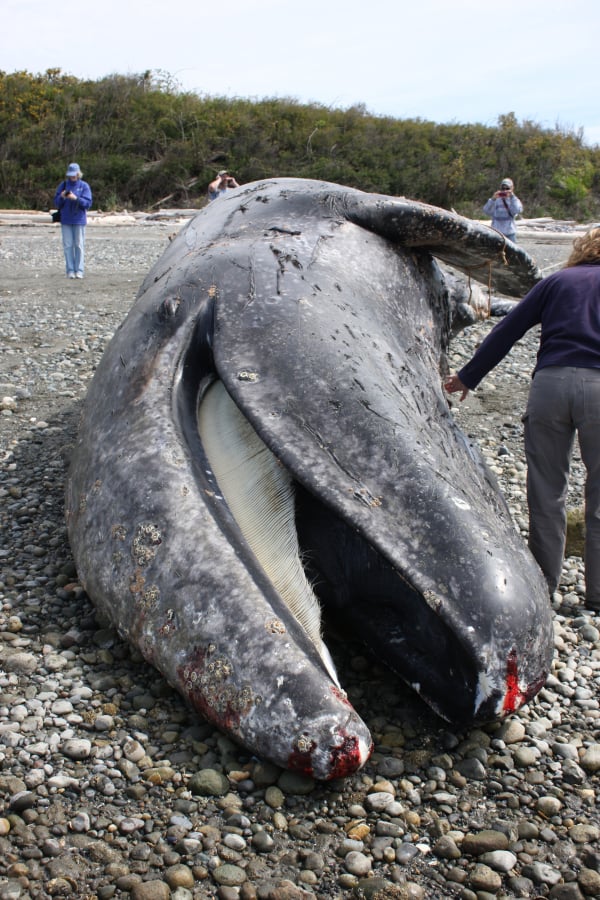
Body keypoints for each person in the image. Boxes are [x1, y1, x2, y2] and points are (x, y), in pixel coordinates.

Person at [444, 228, 600, 612]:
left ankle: (544, 586)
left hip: (550, 386)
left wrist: (468, 376)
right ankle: (597, 596)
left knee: (546, 491)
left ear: (581, 248)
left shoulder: (557, 282)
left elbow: (507, 330)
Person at [53, 162, 93, 278]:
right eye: (70, 175)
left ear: (78, 174)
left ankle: (79, 270)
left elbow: (88, 203)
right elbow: (56, 203)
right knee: (68, 245)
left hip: (79, 220)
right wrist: (62, 197)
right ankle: (70, 270)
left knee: (79, 245)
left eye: (74, 175)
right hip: (66, 220)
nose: (72, 177)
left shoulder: (84, 186)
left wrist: (76, 198)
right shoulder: (63, 185)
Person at [483, 177, 523, 243]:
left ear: (512, 188)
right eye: (503, 188)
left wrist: (512, 197)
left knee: (511, 253)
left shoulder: (514, 200)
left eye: (507, 188)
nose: (505, 191)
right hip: (497, 233)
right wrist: (492, 199)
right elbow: (486, 210)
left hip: (510, 233)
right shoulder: (496, 200)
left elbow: (517, 210)